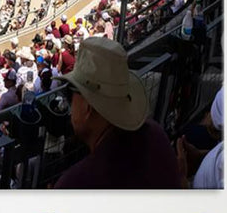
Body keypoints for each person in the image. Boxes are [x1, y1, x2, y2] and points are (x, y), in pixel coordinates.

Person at [55, 37, 181, 189]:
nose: (70, 105)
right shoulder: (156, 134)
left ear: (88, 107)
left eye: (70, 94)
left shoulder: (75, 184)